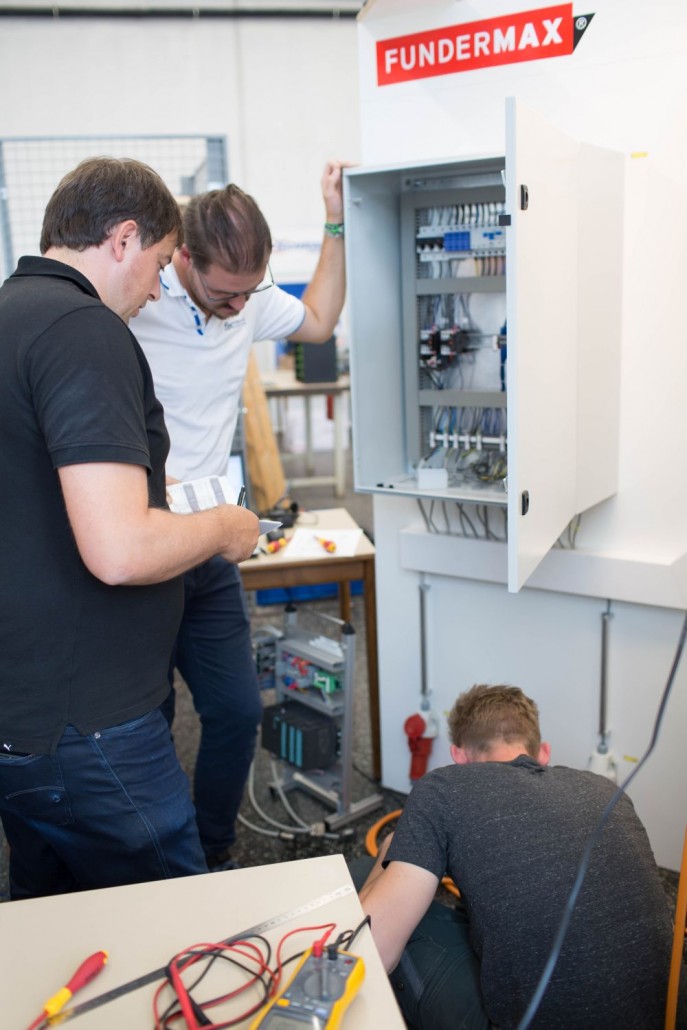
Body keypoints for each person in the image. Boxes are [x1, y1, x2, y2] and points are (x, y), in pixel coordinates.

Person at [0, 157, 259, 900]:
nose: (154, 292)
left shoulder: (12, 315)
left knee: (54, 921)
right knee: (170, 931)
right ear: (122, 239)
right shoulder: (85, 330)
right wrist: (223, 527)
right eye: (157, 264)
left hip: (23, 715)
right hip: (89, 728)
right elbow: (117, 552)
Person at [131, 162, 348, 868]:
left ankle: (213, 849)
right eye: (224, 293)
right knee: (148, 723)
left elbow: (318, 320)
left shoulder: (246, 299)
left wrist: (335, 221)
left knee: (236, 711)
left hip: (209, 543)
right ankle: (156, 861)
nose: (237, 307)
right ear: (183, 259)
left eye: (248, 292)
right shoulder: (138, 297)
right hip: (141, 541)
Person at [357, 684, 684, 1030]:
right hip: (665, 1018)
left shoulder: (442, 788)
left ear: (458, 756)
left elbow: (372, 952)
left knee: (363, 875)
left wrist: (396, 846)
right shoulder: (607, 791)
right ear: (543, 753)